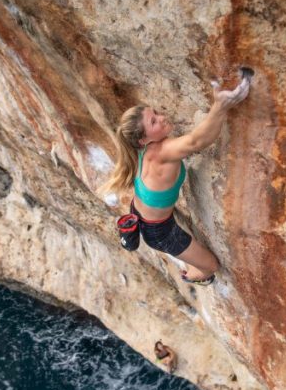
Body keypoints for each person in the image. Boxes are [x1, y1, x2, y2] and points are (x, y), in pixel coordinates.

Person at [104, 73, 251, 285]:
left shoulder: (141, 149)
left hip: (139, 212)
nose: (162, 117)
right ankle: (189, 276)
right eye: (154, 121)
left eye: (155, 112)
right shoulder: (161, 152)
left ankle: (182, 255)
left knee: (188, 250)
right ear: (144, 139)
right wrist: (220, 106)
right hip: (160, 232)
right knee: (210, 267)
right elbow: (196, 141)